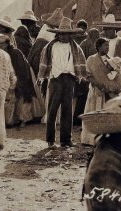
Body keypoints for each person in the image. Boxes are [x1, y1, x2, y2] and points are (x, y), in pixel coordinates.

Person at [38, 17, 87, 148]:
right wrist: (44, 76)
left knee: (67, 109)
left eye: (67, 34)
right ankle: (50, 140)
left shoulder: (76, 48)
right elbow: (45, 63)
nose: (64, 37)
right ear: (58, 34)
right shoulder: (50, 46)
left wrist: (78, 75)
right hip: (56, 79)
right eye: (62, 34)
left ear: (70, 35)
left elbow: (81, 64)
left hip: (69, 78)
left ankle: (66, 140)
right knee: (52, 109)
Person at [81, 37, 121, 145]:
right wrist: (98, 85)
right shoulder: (91, 59)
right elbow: (88, 75)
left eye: (108, 46)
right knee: (93, 113)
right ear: (98, 46)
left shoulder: (112, 60)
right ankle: (90, 139)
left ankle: (106, 140)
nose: (107, 47)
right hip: (96, 92)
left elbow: (117, 75)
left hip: (109, 93)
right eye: (105, 45)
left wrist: (112, 88)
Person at [1, 26, 44, 127]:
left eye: (2, 44)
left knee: (24, 96)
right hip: (17, 76)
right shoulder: (7, 53)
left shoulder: (15, 53)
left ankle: (24, 119)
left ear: (7, 43)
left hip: (23, 75)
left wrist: (19, 81)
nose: (1, 46)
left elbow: (21, 69)